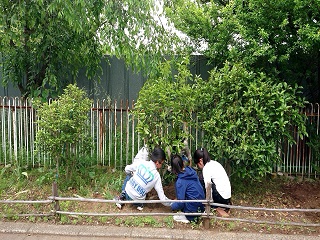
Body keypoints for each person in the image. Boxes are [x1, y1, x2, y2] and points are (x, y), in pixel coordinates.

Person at [170, 154, 205, 223]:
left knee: (175, 215)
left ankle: (189, 218)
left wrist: (172, 206)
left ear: (173, 169)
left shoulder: (180, 181)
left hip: (192, 212)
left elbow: (181, 203)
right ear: (183, 163)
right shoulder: (191, 171)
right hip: (202, 207)